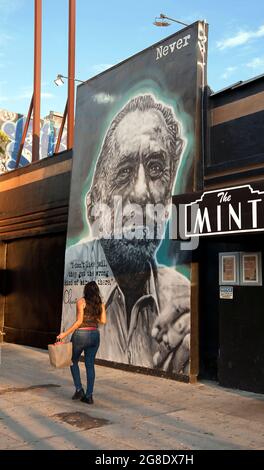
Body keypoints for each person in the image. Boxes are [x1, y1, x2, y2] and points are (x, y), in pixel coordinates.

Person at [62, 94, 191, 375]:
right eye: (124, 172)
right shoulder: (69, 278)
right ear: (95, 205)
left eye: (157, 168)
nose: (142, 193)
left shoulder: (181, 296)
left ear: (168, 198)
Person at [57, 281, 106, 404]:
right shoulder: (100, 304)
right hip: (95, 334)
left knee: (73, 361)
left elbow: (79, 322)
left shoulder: (81, 302)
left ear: (86, 291)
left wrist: (64, 334)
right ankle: (89, 396)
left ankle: (79, 389)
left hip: (81, 335)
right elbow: (103, 321)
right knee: (90, 365)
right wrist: (94, 317)